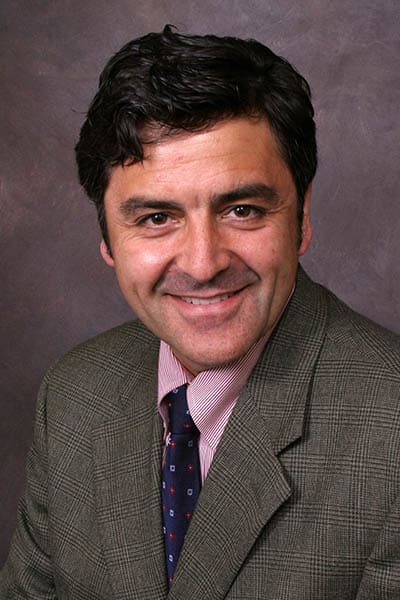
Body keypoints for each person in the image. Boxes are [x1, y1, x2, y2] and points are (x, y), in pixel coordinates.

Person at [1, 25, 399, 600]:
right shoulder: (74, 397)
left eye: (242, 209)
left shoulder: (389, 430)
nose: (203, 263)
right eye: (156, 218)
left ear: (302, 217)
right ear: (108, 238)